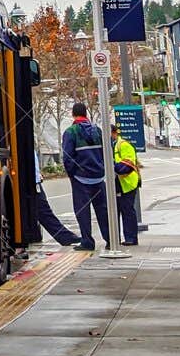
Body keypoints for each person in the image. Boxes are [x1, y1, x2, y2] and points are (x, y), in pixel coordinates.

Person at [61, 102, 110, 250]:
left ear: (73, 114)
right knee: (103, 210)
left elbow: (67, 157)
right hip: (99, 178)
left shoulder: (71, 132)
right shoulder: (97, 131)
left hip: (81, 179)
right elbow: (107, 151)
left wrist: (72, 174)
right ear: (86, 114)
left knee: (82, 211)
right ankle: (110, 239)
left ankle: (88, 242)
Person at [32, 144, 81, 247]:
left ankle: (64, 237)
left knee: (42, 212)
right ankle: (65, 237)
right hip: (32, 182)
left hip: (35, 181)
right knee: (44, 211)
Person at [111, 125, 141, 247]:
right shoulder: (110, 146)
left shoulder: (123, 145)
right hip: (116, 184)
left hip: (128, 184)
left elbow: (127, 166)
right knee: (114, 212)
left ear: (114, 133)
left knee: (127, 211)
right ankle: (115, 238)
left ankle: (131, 238)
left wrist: (112, 164)